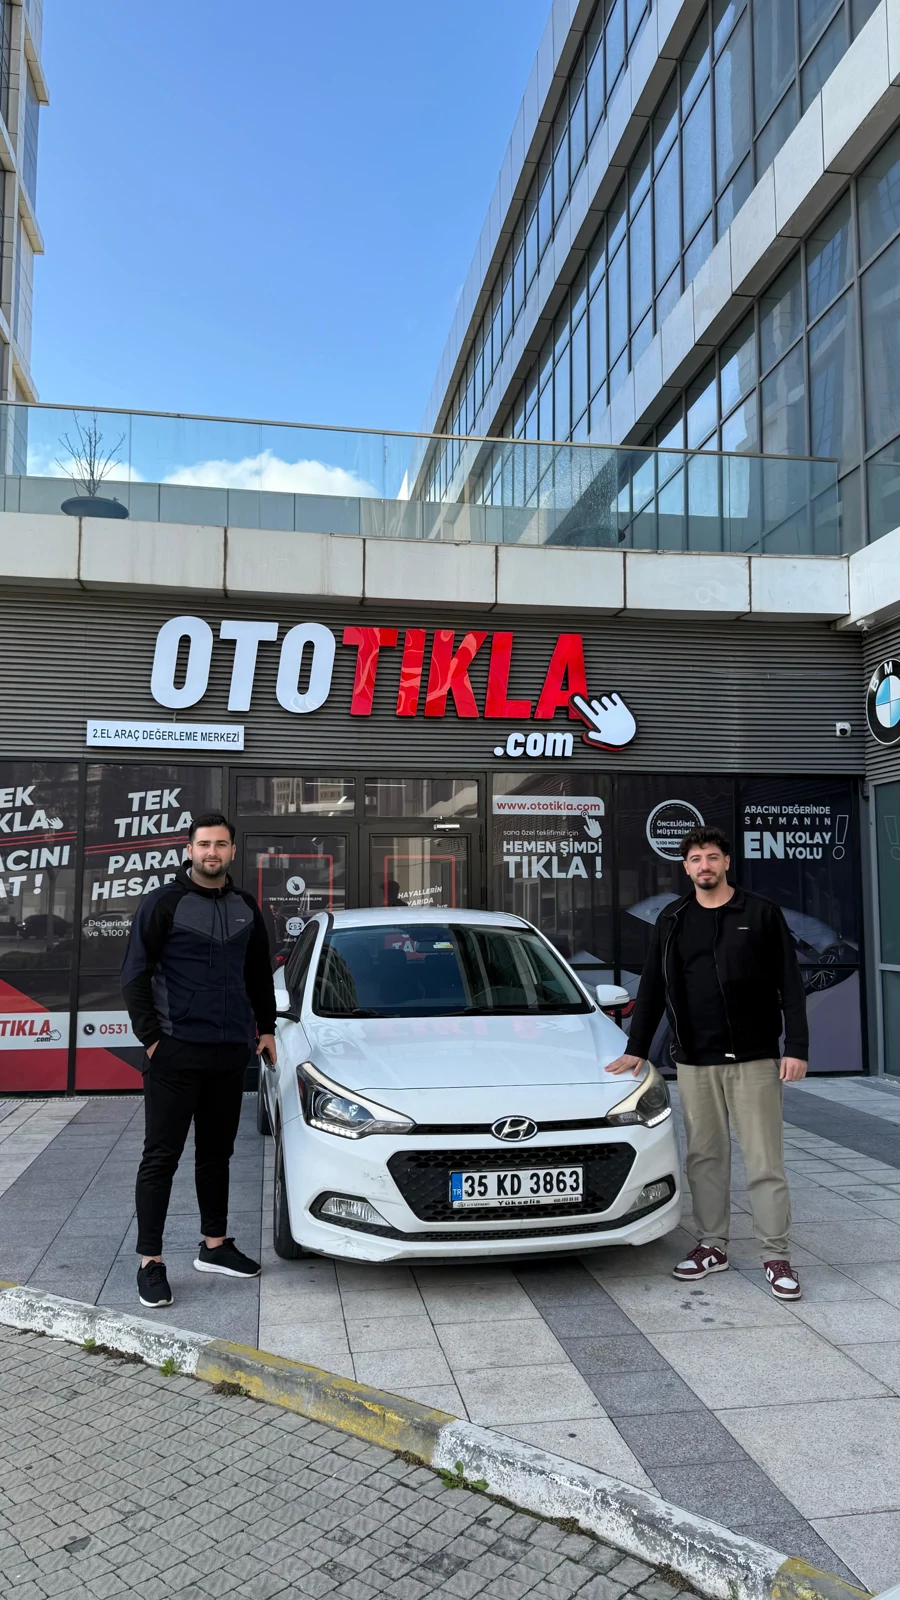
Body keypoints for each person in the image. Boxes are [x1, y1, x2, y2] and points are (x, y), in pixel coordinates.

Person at [606, 827, 808, 1301]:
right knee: (705, 1158)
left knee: (764, 1160)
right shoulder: (673, 919)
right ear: (686, 867)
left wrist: (796, 1046)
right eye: (696, 859)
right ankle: (712, 1245)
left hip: (755, 1058)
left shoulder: (760, 913)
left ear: (726, 862)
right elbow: (653, 987)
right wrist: (637, 1047)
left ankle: (775, 1254)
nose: (704, 866)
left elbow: (790, 983)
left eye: (712, 857)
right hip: (696, 1060)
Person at [121, 812, 277, 1309]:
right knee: (160, 1157)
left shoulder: (245, 906)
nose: (213, 852)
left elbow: (258, 975)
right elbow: (134, 976)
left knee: (216, 1154)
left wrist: (266, 1029)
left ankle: (214, 1246)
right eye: (204, 844)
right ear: (189, 850)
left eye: (221, 844)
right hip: (175, 1053)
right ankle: (150, 1261)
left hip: (229, 1053)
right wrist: (153, 1040)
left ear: (233, 852)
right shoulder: (162, 903)